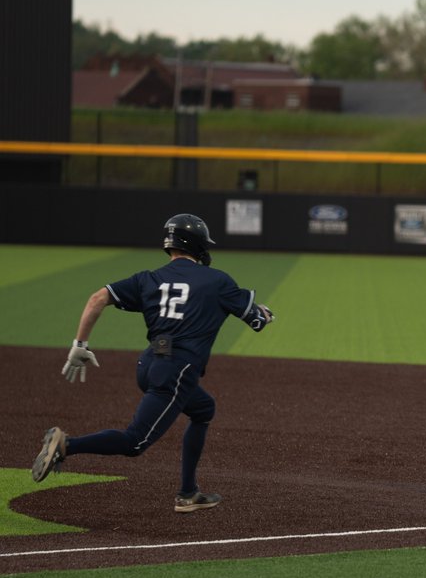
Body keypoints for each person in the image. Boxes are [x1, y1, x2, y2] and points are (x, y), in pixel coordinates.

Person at [31, 214, 275, 512]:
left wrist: (79, 346)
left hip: (148, 364)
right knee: (135, 443)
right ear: (198, 245)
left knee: (203, 408)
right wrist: (264, 313)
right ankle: (67, 445)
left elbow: (97, 298)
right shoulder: (218, 280)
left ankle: (189, 493)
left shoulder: (149, 278)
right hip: (176, 371)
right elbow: (258, 321)